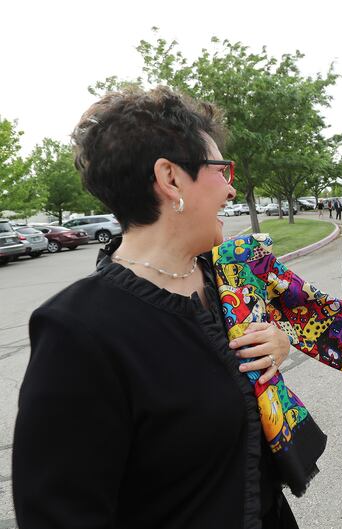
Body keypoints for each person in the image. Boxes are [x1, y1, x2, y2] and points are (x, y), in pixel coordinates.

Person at [13, 87, 299, 529]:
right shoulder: (78, 330)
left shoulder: (227, 282)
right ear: (170, 178)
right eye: (221, 169)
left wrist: (276, 345)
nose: (231, 186)